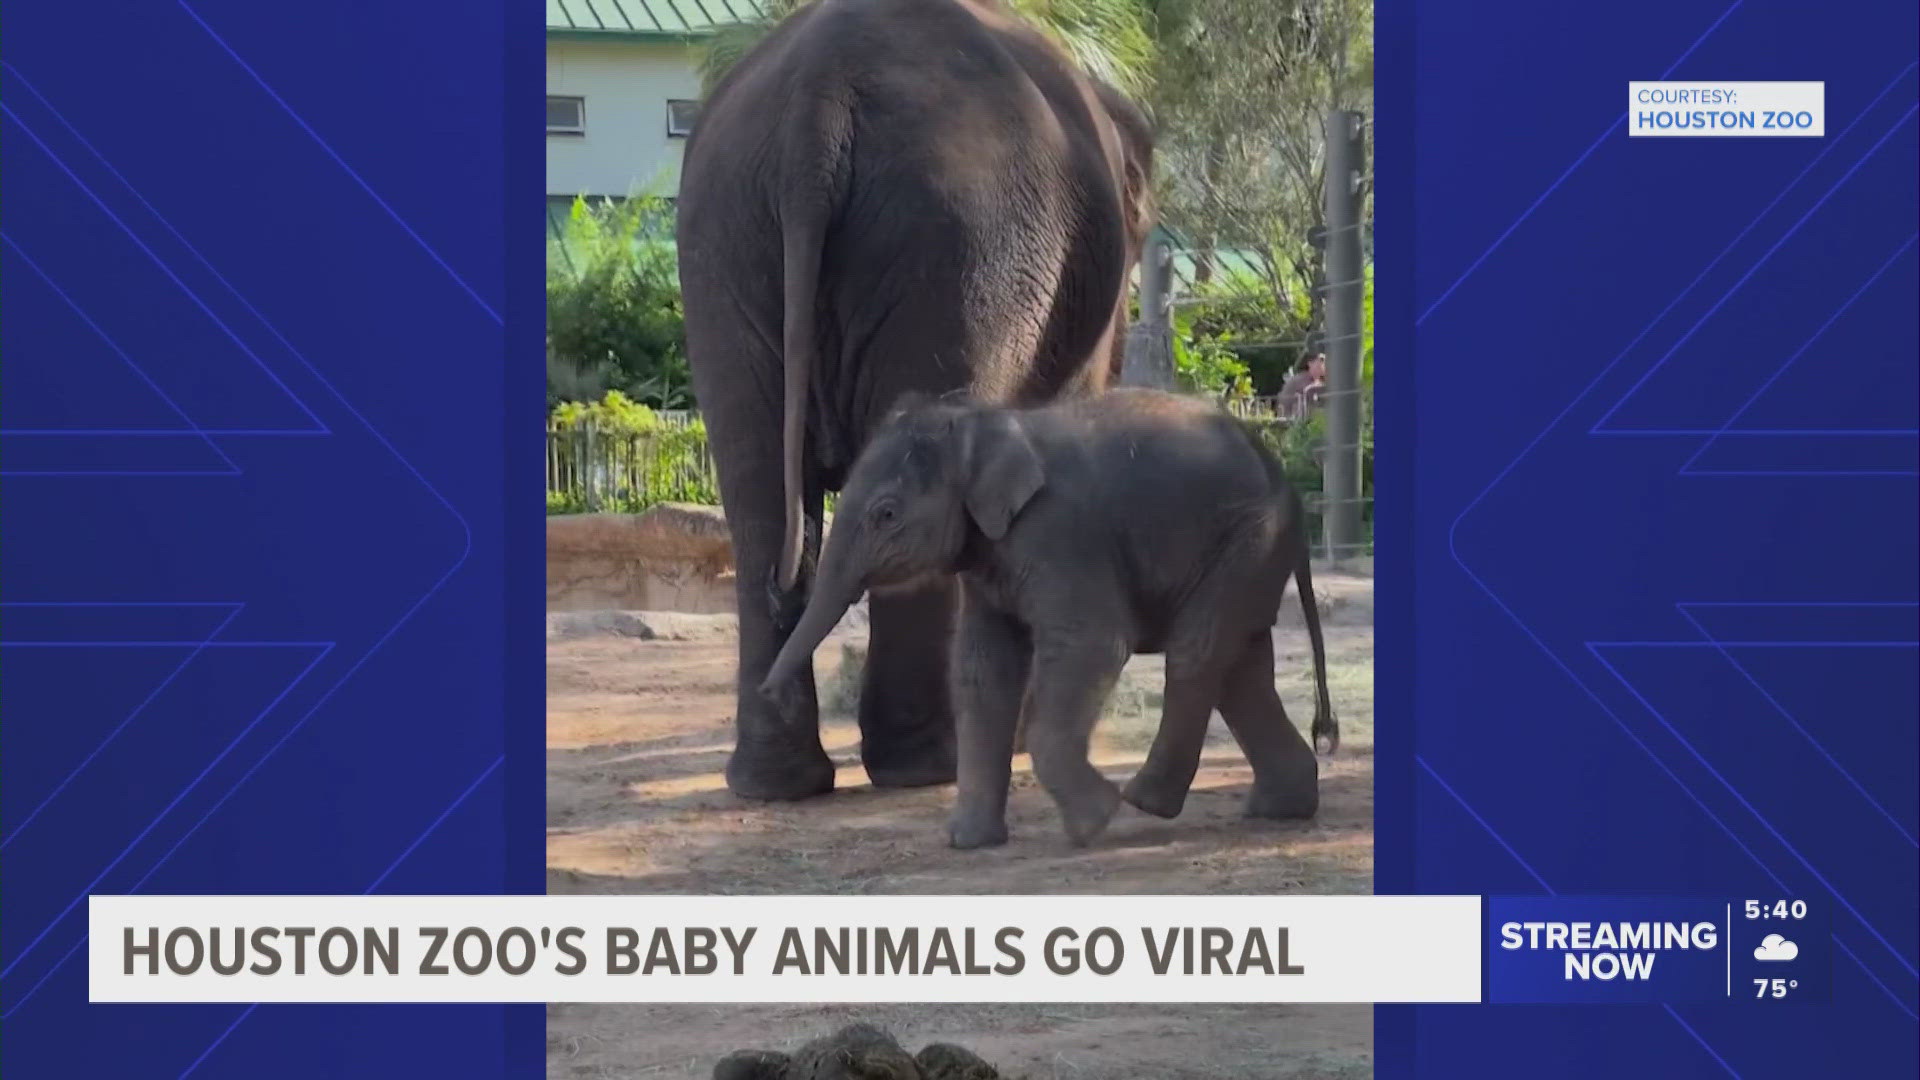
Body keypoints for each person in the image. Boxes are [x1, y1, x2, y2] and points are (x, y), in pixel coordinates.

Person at [1277, 353, 1327, 420]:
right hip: (1292, 417)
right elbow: (1310, 393)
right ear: (1310, 364)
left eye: (1323, 363)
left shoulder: (1318, 381)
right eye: (1319, 363)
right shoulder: (1302, 380)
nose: (1322, 366)